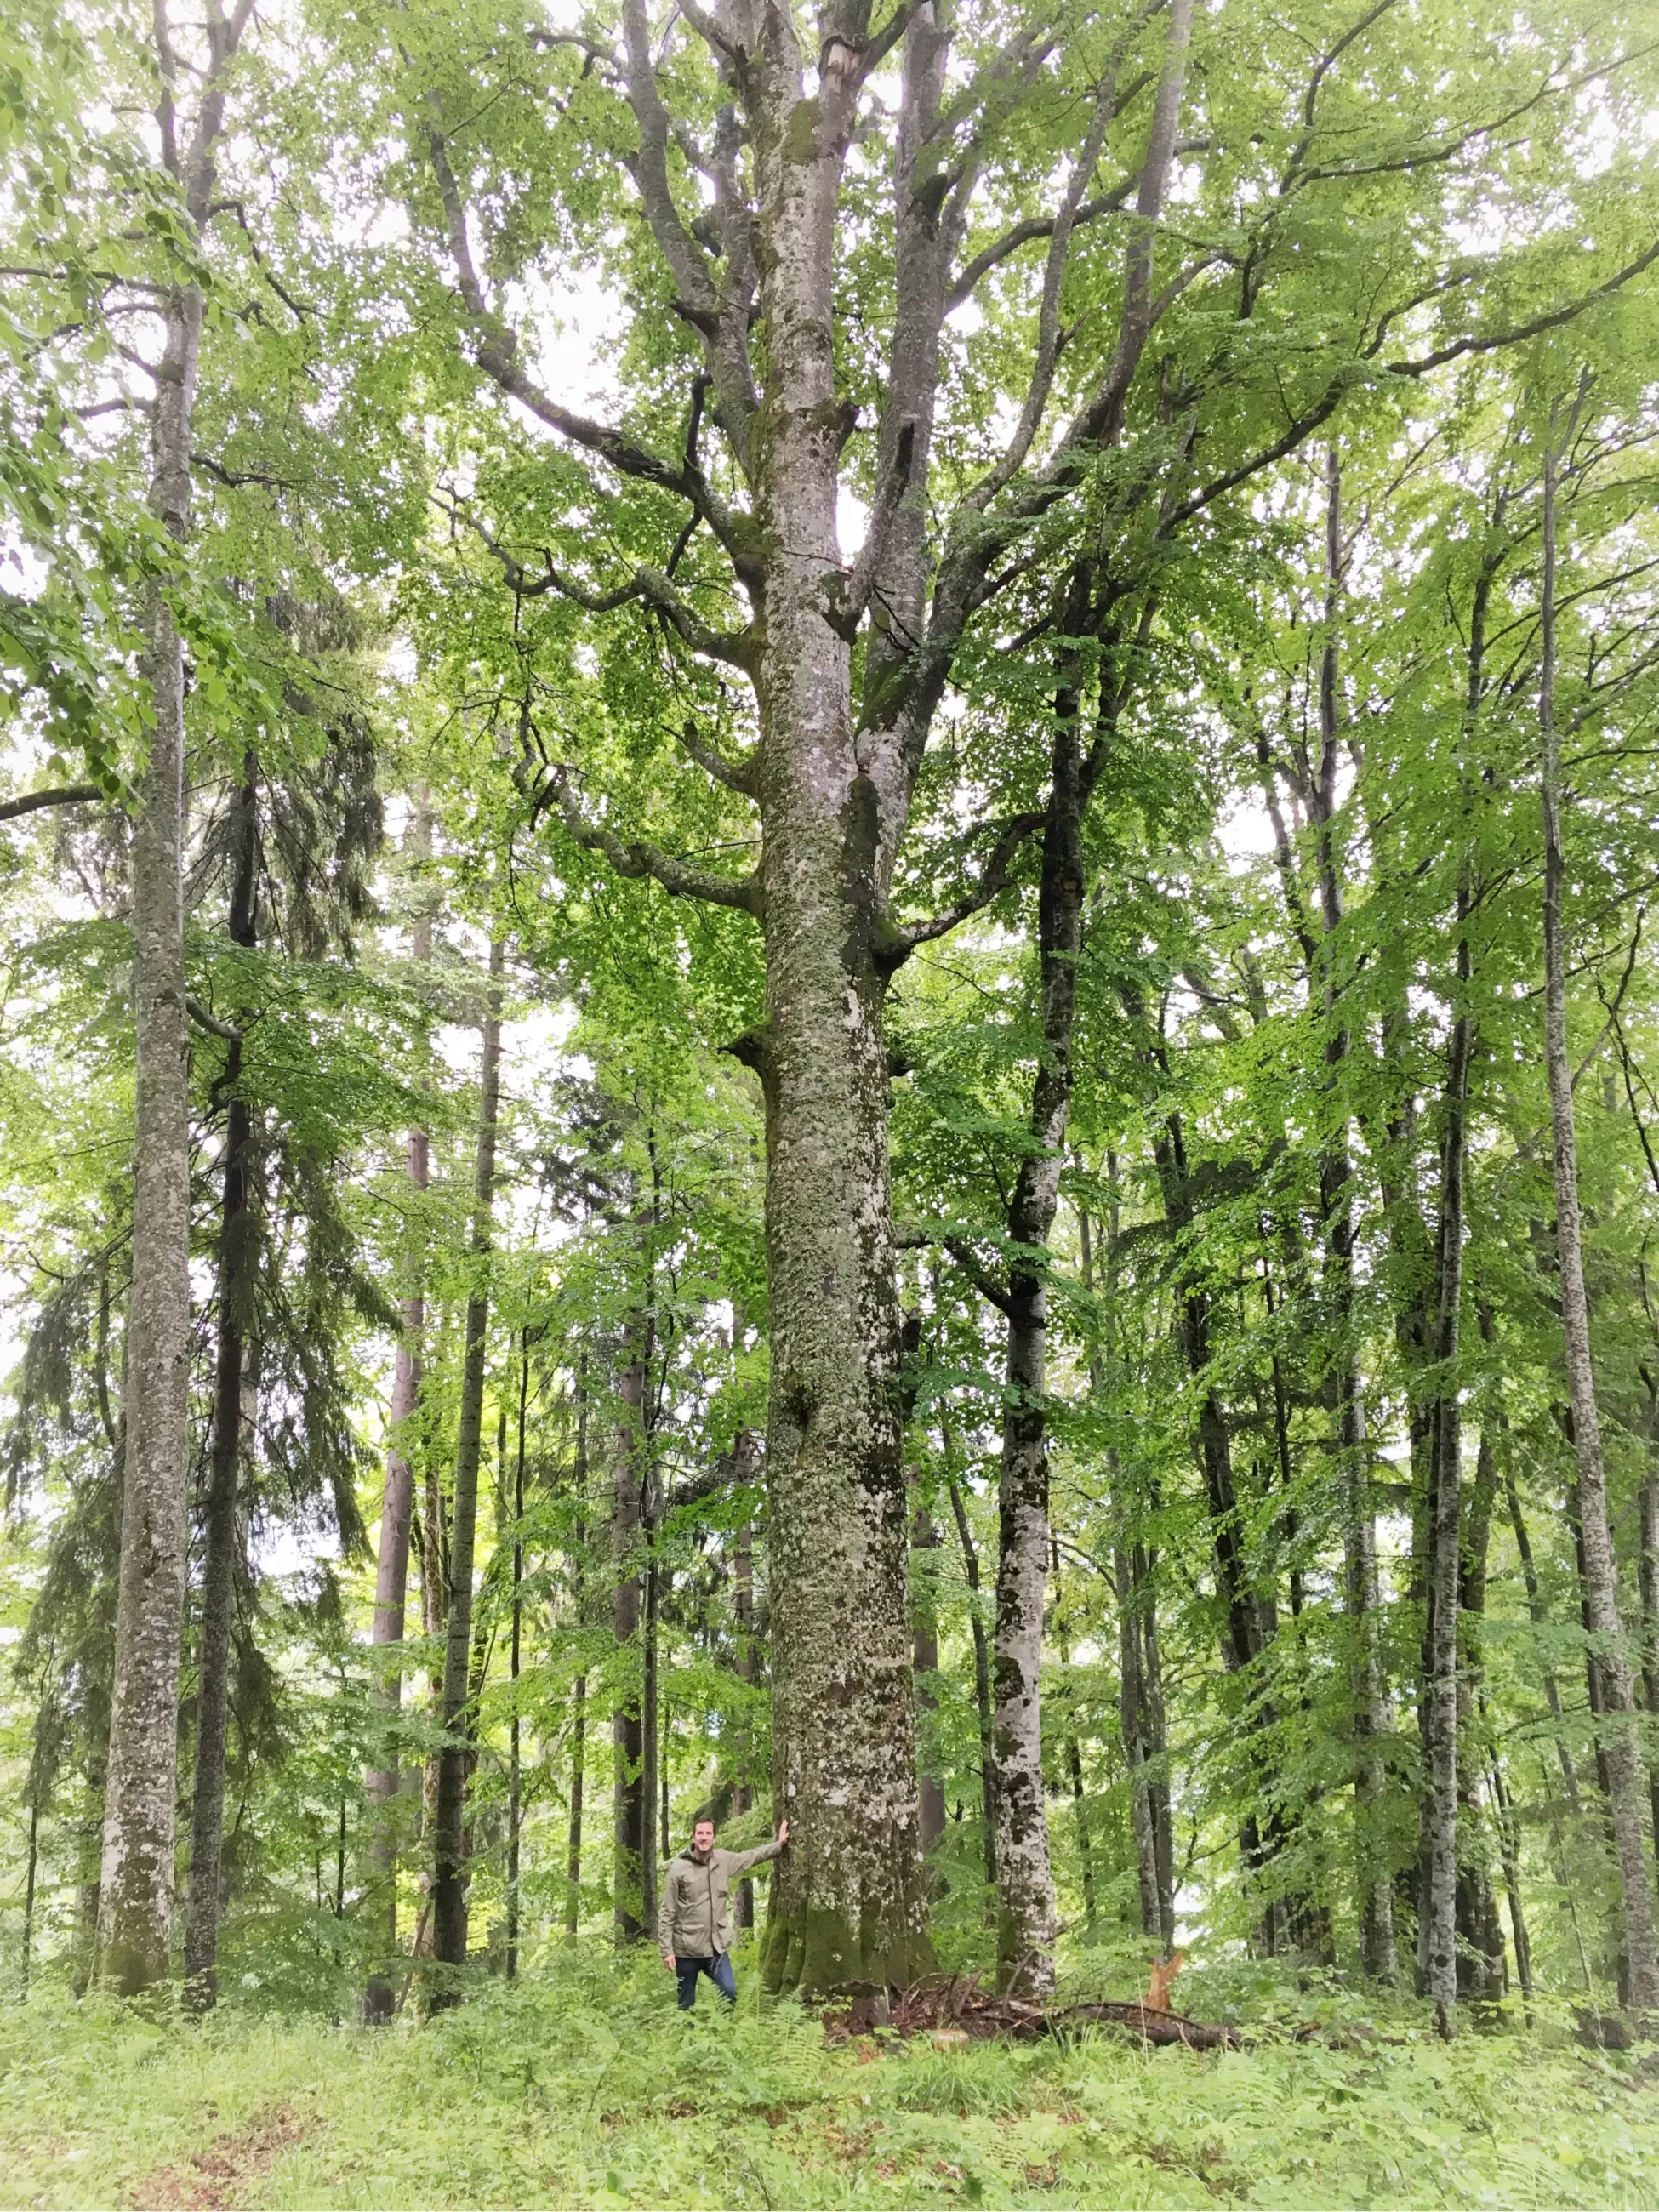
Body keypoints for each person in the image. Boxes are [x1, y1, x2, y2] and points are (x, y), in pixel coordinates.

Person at [658, 1812, 789, 2010]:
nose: (704, 1837)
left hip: (716, 1947)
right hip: (687, 1950)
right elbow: (667, 1911)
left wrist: (778, 1845)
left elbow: (751, 1857)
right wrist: (667, 1951)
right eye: (700, 1833)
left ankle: (721, 2035)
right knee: (686, 2005)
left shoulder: (723, 1860)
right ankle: (690, 2039)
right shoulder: (678, 1869)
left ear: (714, 1837)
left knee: (728, 1993)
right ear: (694, 1836)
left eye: (708, 1833)